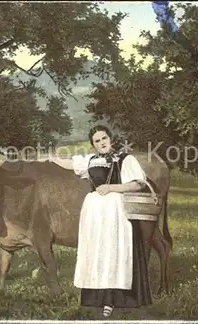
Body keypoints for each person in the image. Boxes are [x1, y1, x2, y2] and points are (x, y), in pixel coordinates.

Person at [49, 125, 152, 317]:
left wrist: (112, 187)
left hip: (116, 210)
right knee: (97, 251)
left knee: (114, 251)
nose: (101, 143)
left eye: (104, 138)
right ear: (93, 144)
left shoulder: (125, 158)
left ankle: (113, 300)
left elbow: (139, 184)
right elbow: (70, 164)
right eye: (97, 141)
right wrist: (51, 157)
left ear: (111, 138)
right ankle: (97, 297)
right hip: (95, 211)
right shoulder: (90, 160)